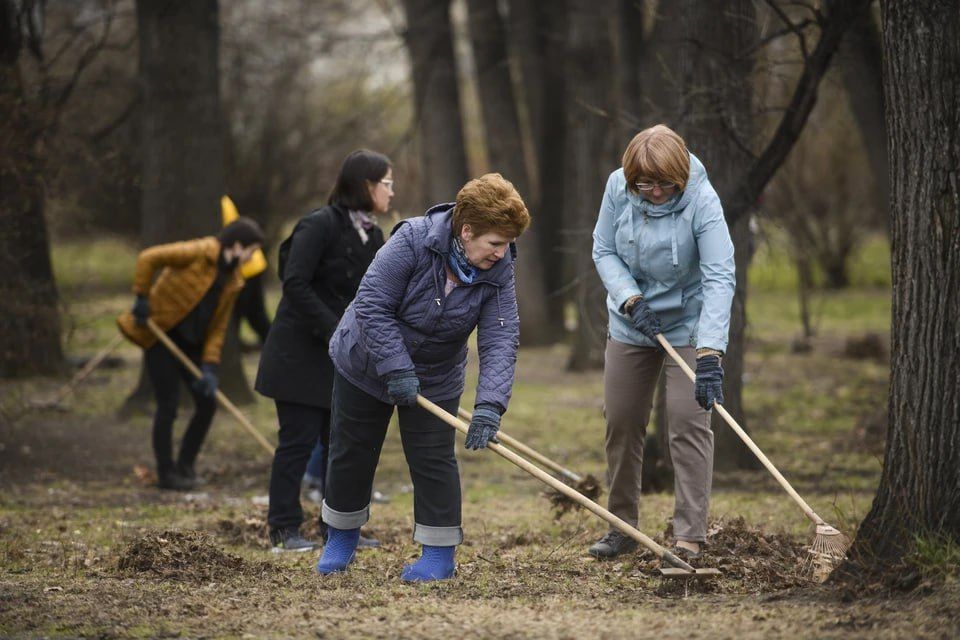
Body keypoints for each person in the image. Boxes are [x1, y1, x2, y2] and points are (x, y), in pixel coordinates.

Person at [315, 173, 530, 582]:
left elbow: (501, 336)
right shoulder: (413, 240)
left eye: (507, 244)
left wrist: (489, 405)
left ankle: (438, 555)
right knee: (352, 452)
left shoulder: (499, 268)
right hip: (364, 360)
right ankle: (341, 537)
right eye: (495, 244)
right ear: (467, 231)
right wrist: (396, 368)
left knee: (434, 459)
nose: (502, 254)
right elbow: (372, 305)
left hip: (436, 374)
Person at [588, 124, 735, 562]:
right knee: (622, 421)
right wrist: (630, 299)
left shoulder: (703, 202)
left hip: (688, 325)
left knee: (689, 425)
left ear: (681, 175)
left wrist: (709, 353)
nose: (653, 192)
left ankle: (690, 537)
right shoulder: (618, 188)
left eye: (664, 184)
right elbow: (602, 249)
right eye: (644, 184)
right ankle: (621, 526)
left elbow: (719, 275)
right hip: (632, 322)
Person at [255, 150, 393, 553]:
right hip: (299, 356)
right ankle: (283, 529)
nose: (391, 190)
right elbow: (294, 282)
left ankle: (339, 529)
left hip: (343, 361)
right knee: (296, 444)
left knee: (340, 446)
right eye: (386, 182)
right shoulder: (319, 224)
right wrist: (338, 329)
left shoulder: (375, 235)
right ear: (367, 185)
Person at [117, 218, 266, 491]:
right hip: (161, 336)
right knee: (168, 405)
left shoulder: (233, 281)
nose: (253, 257)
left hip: (193, 346)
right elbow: (149, 257)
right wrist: (142, 296)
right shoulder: (199, 251)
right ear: (237, 245)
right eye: (252, 250)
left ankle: (185, 465)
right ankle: (166, 472)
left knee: (207, 404)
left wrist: (209, 365)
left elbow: (218, 327)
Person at [221, 195, 272, 350]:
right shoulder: (224, 200)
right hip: (250, 266)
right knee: (253, 314)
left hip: (247, 268)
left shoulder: (221, 202)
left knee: (245, 314)